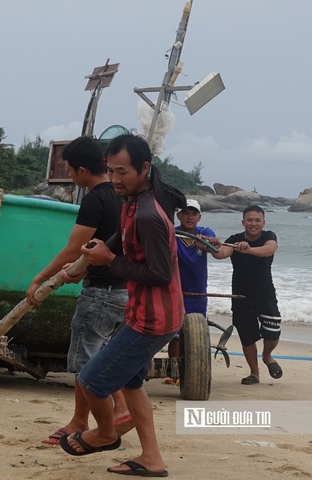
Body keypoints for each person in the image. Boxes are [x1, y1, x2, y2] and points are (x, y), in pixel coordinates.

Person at [59, 132, 183, 478]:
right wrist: (85, 263)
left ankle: (106, 433)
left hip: (153, 320)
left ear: (144, 168)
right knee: (131, 383)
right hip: (151, 313)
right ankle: (152, 459)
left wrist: (110, 259)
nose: (114, 180)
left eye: (122, 172)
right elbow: (119, 239)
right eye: (110, 171)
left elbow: (159, 274)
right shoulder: (133, 200)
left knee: (91, 380)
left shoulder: (148, 214)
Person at [25, 136, 132, 445]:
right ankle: (83, 418)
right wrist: (82, 270)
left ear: (83, 170)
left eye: (71, 171)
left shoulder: (96, 198)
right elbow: (110, 245)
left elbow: (75, 248)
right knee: (106, 358)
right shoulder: (121, 196)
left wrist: (39, 278)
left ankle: (108, 418)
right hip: (125, 291)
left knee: (87, 364)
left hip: (101, 294)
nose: (70, 176)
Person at [211, 205, 282, 385]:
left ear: (263, 222)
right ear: (243, 222)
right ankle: (254, 373)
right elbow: (221, 254)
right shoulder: (234, 240)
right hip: (240, 296)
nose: (253, 223)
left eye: (257, 220)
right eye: (249, 220)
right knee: (247, 337)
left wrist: (248, 249)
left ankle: (267, 356)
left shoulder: (268, 236)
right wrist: (211, 246)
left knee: (273, 333)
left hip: (265, 294)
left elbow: (269, 250)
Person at [166, 199, 216, 364]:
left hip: (198, 294)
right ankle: (173, 371)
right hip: (174, 293)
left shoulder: (205, 231)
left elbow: (213, 246)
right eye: (185, 213)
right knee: (175, 335)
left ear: (199, 217)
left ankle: (193, 369)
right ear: (178, 215)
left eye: (193, 213)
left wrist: (207, 244)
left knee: (196, 336)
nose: (189, 217)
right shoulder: (171, 233)